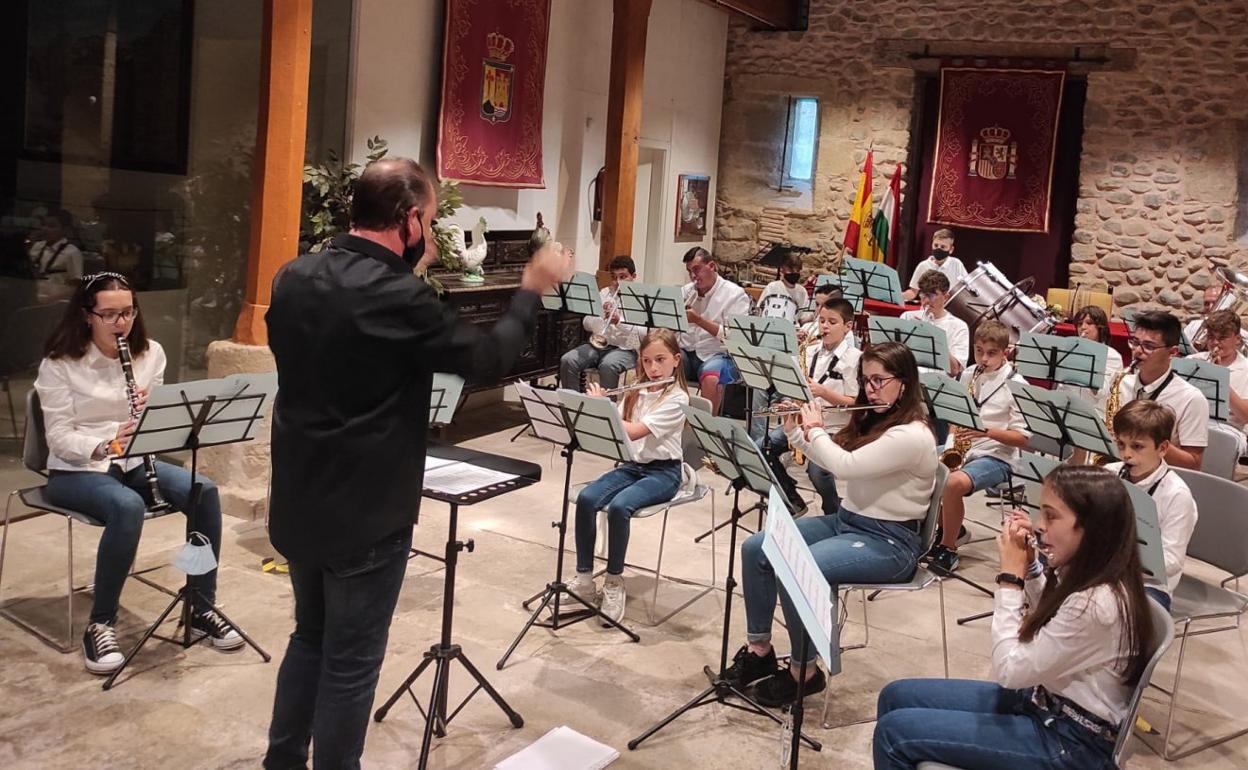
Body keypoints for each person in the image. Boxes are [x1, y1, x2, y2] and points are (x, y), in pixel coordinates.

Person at [263, 158, 566, 769]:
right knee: (351, 664)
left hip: (299, 497)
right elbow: (488, 358)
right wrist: (532, 287)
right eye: (428, 220)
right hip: (366, 512)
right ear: (408, 220)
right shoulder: (398, 295)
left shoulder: (293, 276)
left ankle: (283, 761)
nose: (429, 233)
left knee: (309, 638)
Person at [873, 464, 1157, 770]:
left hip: (1073, 743)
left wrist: (1010, 580)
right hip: (1045, 702)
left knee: (894, 734)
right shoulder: (1093, 573)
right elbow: (1053, 612)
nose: (1038, 525)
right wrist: (1033, 569)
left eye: (1051, 516)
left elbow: (1009, 671)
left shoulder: (1097, 604)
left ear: (1091, 528)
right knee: (895, 695)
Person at [33, 272, 241, 675]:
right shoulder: (60, 364)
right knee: (127, 507)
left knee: (204, 490)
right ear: (86, 316)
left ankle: (200, 603)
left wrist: (153, 414)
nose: (120, 323)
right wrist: (109, 442)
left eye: (126, 312)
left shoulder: (150, 354)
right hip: (77, 469)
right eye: (108, 314)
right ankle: (101, 622)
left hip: (133, 462)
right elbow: (58, 439)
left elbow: (159, 423)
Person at [724, 342, 938, 706]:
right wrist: (795, 432)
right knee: (756, 547)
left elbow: (844, 466)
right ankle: (759, 650)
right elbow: (830, 456)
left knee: (796, 568)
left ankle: (803, 672)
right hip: (849, 521)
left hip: (890, 542)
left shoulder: (912, 435)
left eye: (879, 380)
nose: (870, 389)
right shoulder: (877, 420)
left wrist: (817, 428)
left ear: (905, 383)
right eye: (865, 380)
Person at [568, 329, 690, 623]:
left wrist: (604, 407)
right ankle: (585, 579)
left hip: (665, 471)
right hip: (631, 466)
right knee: (586, 498)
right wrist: (600, 411)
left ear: (675, 360)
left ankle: (613, 581)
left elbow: (634, 431)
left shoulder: (677, 398)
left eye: (660, 360)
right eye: (647, 361)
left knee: (621, 507)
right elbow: (618, 434)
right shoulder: (635, 390)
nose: (653, 368)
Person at [929, 320, 1030, 575]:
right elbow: (957, 415)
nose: (983, 358)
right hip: (966, 449)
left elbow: (1022, 438)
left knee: (952, 484)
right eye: (979, 351)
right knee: (921, 467)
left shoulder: (1017, 384)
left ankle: (948, 547)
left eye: (991, 353)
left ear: (1005, 352)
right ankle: (951, 528)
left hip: (998, 456)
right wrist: (951, 444)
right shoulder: (969, 374)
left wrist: (985, 432)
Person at [761, 298, 861, 515]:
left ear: (848, 327)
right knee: (762, 447)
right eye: (822, 320)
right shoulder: (810, 351)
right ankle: (792, 498)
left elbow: (855, 403)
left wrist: (824, 392)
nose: (824, 326)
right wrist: (792, 403)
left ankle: (833, 509)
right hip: (804, 420)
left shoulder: (855, 359)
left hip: (835, 427)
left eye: (832, 322)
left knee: (818, 469)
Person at [1104, 400, 1198, 611]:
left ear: (1163, 448)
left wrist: (1120, 559)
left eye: (1137, 446)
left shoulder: (1176, 495)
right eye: (1121, 444)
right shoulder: (1110, 472)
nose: (1126, 454)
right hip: (1105, 570)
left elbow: (1172, 561)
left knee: (1112, 611)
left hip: (1148, 585)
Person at [1109, 310, 1209, 470]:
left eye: (1148, 346)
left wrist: (1148, 439)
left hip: (1160, 480)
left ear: (1173, 352)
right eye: (1135, 342)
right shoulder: (1122, 383)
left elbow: (1193, 463)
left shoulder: (1191, 398)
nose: (1137, 351)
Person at [680, 246, 751, 414]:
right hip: (688, 350)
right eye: (689, 271)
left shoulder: (735, 294)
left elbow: (734, 337)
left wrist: (698, 320)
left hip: (717, 353)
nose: (693, 276)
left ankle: (706, 430)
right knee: (661, 360)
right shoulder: (686, 291)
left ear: (711, 266)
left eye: (696, 270)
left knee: (711, 378)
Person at [558, 255, 644, 390]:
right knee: (568, 360)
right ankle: (572, 405)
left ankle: (606, 408)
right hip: (599, 346)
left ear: (633, 276)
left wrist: (618, 322)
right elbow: (586, 323)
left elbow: (642, 334)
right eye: (614, 277)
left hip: (627, 349)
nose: (617, 282)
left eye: (622, 277)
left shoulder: (640, 299)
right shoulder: (604, 293)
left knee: (608, 365)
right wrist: (600, 317)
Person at [1187, 308, 1248, 457]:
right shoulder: (1193, 361)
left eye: (1222, 338)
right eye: (1211, 337)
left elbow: (1245, 416)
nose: (1215, 343)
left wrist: (1218, 377)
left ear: (1237, 339)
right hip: (1193, 422)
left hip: (1228, 429)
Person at [1057, 305, 1124, 419]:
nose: (1083, 327)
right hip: (1067, 413)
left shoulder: (1112, 356)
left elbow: (1101, 392)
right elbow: (1062, 388)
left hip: (1095, 415)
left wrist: (1085, 361)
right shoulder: (1069, 351)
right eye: (1079, 323)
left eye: (1089, 323)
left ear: (1100, 327)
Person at [900, 270, 968, 376]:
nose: (925, 301)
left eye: (931, 295)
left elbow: (954, 370)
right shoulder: (908, 317)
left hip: (937, 384)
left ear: (946, 297)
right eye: (923, 294)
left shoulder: (959, 327)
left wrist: (934, 336)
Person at [901, 229, 966, 303]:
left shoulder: (957, 264)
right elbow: (913, 292)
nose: (938, 249)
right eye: (936, 245)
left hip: (949, 309)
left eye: (943, 247)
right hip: (927, 307)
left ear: (951, 249)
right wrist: (898, 296)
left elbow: (965, 289)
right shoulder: (923, 265)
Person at [27, 208, 84, 282]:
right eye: (44, 225)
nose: (45, 229)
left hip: (58, 292)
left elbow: (75, 281)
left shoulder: (72, 252)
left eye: (51, 226)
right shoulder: (37, 246)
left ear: (65, 230)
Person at [758, 250, 808, 321]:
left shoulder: (802, 291)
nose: (795, 273)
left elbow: (803, 316)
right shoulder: (772, 287)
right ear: (782, 270)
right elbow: (760, 309)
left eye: (797, 271)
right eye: (791, 270)